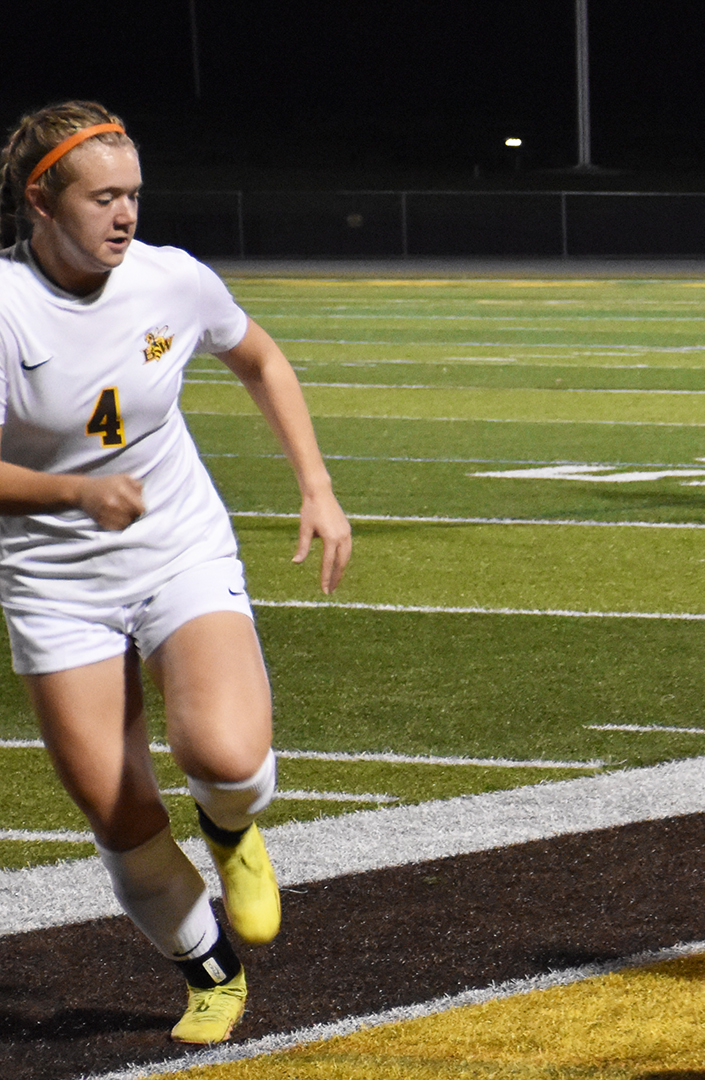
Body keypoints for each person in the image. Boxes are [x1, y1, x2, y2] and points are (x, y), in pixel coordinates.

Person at [0, 102, 351, 1045]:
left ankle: (233, 827)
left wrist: (316, 488)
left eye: (135, 197)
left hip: (177, 547)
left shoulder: (168, 280)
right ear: (42, 198)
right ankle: (211, 974)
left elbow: (260, 357)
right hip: (52, 578)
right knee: (119, 811)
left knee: (225, 755)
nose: (126, 217)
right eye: (103, 198)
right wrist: (74, 498)